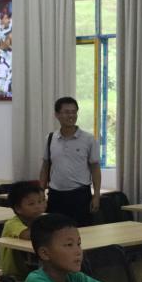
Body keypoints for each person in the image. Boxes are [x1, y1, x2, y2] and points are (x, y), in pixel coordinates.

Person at [21, 214, 129, 282]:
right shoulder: (36, 280)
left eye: (78, 244)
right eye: (69, 245)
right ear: (45, 253)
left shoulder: (74, 277)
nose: (78, 251)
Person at [38, 97, 100, 226]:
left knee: (82, 231)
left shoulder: (88, 139)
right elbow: (45, 167)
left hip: (80, 195)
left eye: (74, 112)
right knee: (55, 231)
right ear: (57, 115)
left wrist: (96, 195)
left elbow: (95, 169)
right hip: (55, 195)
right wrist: (40, 193)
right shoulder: (50, 138)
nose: (71, 115)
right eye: (66, 112)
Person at [0, 181, 47, 282]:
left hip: (28, 270)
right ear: (18, 208)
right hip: (12, 276)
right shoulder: (12, 224)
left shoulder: (42, 219)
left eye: (41, 201)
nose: (39, 206)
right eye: (31, 204)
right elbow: (27, 235)